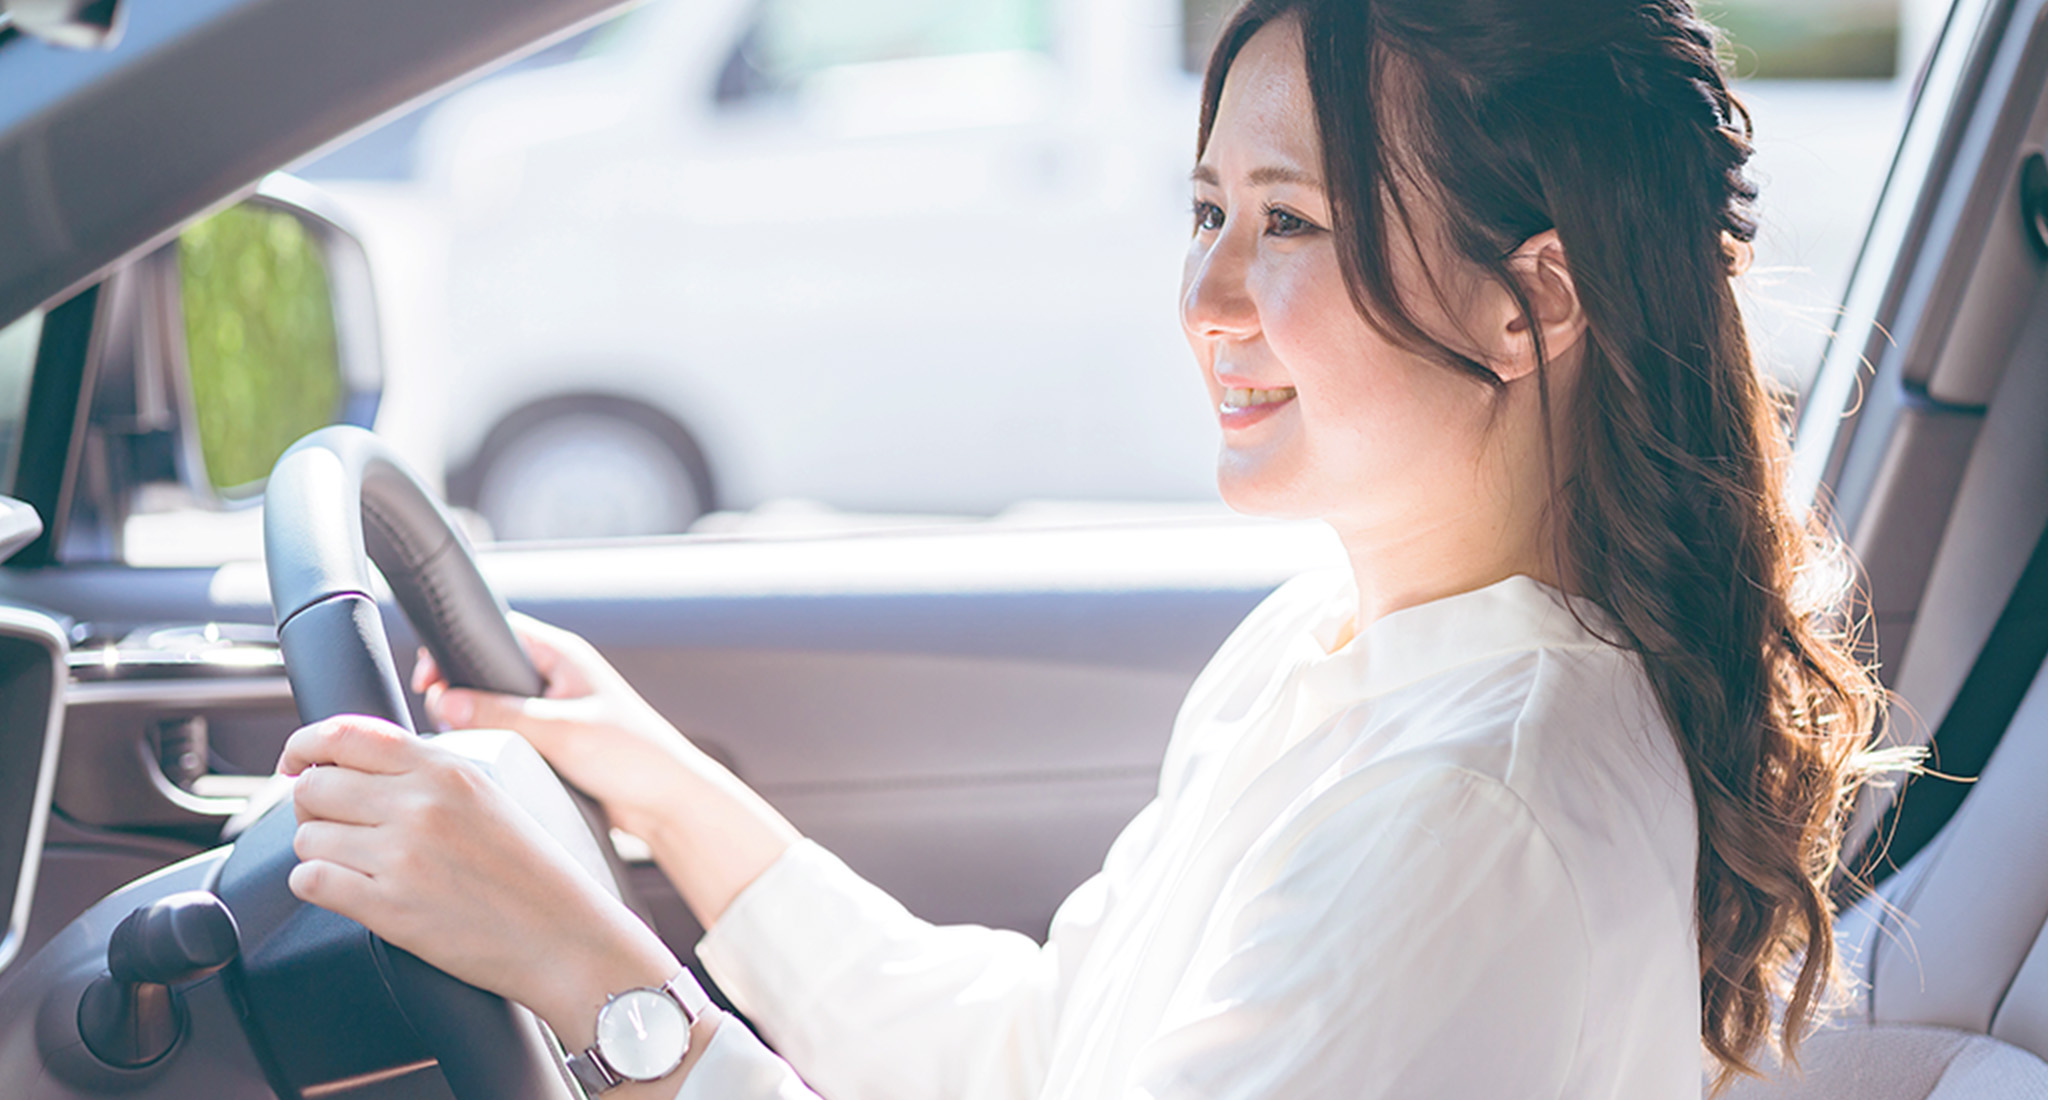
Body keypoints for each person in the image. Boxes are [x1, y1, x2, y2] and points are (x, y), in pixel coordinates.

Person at [275, 0, 1892, 1095]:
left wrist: (595, 980)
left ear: (1534, 300)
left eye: (1292, 223)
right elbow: (1050, 1046)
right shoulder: (1332, 646)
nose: (1207, 300)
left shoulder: (1474, 802)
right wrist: (662, 791)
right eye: (1208, 213)